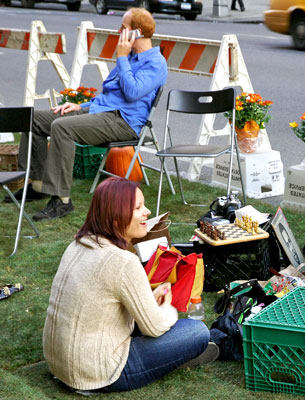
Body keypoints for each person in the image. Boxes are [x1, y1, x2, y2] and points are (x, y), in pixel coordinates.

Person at [43, 177, 218, 393]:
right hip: (99, 372)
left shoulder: (77, 244)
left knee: (156, 321)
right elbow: (154, 328)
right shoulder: (123, 261)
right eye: (138, 208)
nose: (147, 212)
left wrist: (149, 301)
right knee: (196, 331)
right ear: (116, 217)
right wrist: (167, 307)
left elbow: (106, 302)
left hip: (59, 364)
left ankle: (171, 356)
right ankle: (175, 358)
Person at [6, 8, 167, 221]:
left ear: (135, 33)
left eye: (123, 27)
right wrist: (81, 106)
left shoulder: (155, 62)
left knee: (61, 128)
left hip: (123, 122)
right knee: (33, 119)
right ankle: (37, 184)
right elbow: (108, 95)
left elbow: (132, 92)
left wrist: (121, 58)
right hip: (102, 114)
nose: (118, 31)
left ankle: (61, 200)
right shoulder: (129, 58)